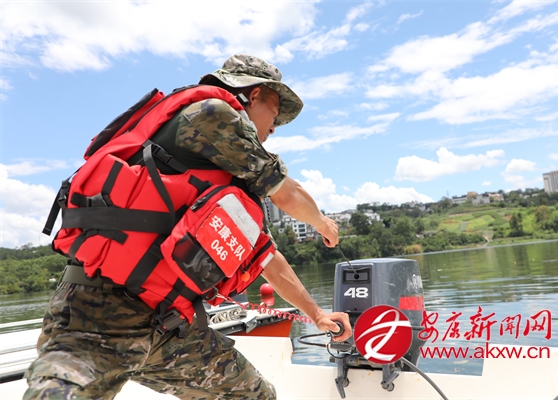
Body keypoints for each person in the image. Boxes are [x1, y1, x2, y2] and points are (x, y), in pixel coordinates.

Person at [24, 54, 352, 400]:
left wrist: (317, 314)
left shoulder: (232, 176)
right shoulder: (212, 114)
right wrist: (322, 223)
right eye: (275, 108)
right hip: (98, 311)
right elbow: (288, 194)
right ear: (253, 94)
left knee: (253, 395)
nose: (275, 125)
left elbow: (267, 258)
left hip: (169, 327)